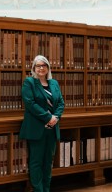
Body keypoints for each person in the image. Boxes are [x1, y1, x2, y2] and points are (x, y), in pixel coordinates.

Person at [19, 55, 65, 192]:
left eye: (43, 65)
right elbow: (30, 104)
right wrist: (48, 118)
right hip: (36, 129)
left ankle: (46, 189)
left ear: (48, 68)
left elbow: (61, 103)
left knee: (48, 162)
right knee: (36, 162)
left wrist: (55, 117)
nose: (41, 68)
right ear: (34, 68)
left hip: (52, 128)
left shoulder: (54, 83)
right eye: (38, 66)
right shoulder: (29, 83)